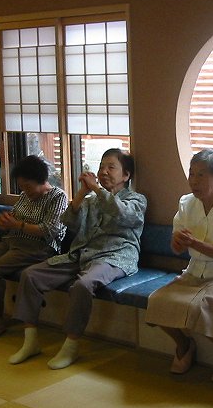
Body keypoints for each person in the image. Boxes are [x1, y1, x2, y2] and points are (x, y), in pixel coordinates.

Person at [9, 148, 146, 369]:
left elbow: (123, 214)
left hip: (115, 257)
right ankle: (30, 340)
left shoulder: (136, 199)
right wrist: (82, 193)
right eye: (101, 167)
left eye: (111, 167)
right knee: (30, 275)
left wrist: (97, 190)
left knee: (83, 285)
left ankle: (71, 345)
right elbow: (69, 223)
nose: (104, 171)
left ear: (126, 175)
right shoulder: (92, 200)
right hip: (81, 253)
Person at [145, 149, 213, 383]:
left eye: (201, 175)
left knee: (201, 307)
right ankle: (183, 345)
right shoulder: (186, 203)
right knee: (157, 300)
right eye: (192, 174)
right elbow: (177, 249)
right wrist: (178, 242)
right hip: (194, 272)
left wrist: (193, 242)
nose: (194, 181)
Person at [0, 155, 67, 339]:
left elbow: (49, 230)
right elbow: (13, 218)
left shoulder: (58, 196)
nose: (25, 190)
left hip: (38, 248)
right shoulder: (25, 196)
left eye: (28, 186)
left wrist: (18, 225)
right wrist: (4, 223)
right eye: (22, 186)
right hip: (12, 241)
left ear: (41, 180)